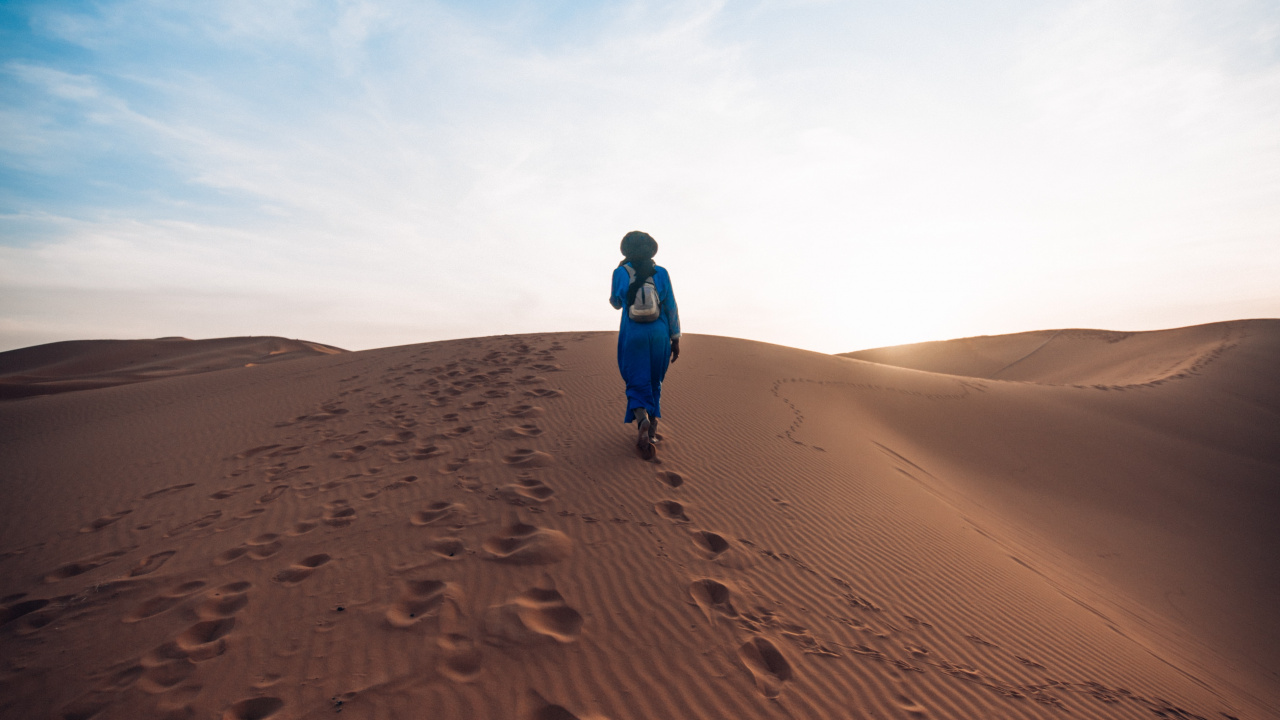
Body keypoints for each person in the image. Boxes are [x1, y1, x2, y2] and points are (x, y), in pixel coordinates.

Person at [609, 230, 681, 455]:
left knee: (635, 378)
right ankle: (652, 431)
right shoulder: (661, 272)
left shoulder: (620, 272)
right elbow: (671, 307)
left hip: (634, 333)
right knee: (654, 380)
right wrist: (675, 338)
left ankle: (642, 419)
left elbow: (616, 303)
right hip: (660, 333)